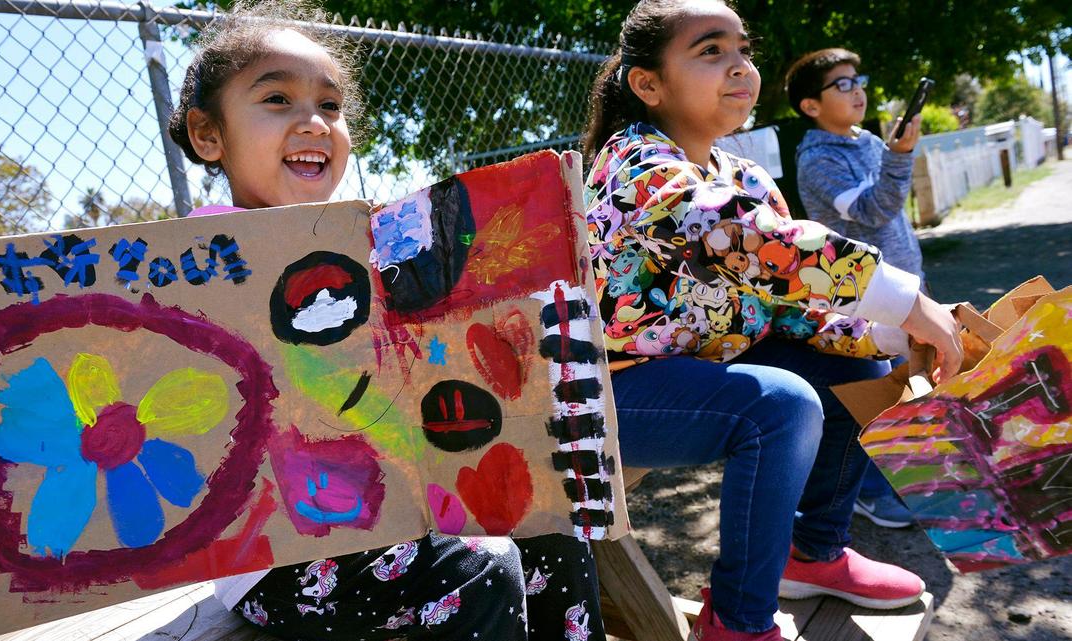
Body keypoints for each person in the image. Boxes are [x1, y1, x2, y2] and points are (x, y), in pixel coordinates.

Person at [166, 1, 604, 639]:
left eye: (331, 106)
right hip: (277, 553)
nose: (313, 121)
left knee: (556, 533)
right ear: (210, 136)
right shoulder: (203, 260)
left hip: (398, 509)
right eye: (278, 100)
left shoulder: (365, 247)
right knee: (485, 567)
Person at [581, 1, 962, 639]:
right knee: (781, 405)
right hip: (609, 389)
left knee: (856, 367)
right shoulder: (636, 164)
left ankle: (812, 553)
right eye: (710, 51)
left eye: (742, 50)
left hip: (693, 368)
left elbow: (786, 307)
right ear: (648, 84)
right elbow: (760, 243)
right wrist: (910, 301)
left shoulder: (741, 172)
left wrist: (894, 335)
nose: (740, 67)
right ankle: (736, 620)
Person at [786, 48, 923, 529]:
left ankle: (900, 482)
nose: (857, 89)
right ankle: (866, 492)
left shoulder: (866, 141)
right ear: (811, 107)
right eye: (841, 84)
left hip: (904, 291)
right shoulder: (818, 160)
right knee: (872, 396)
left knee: (907, 388)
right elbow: (873, 211)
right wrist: (900, 158)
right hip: (863, 299)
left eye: (857, 79)